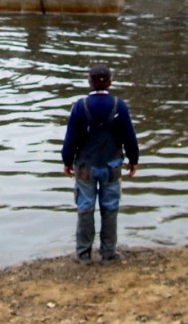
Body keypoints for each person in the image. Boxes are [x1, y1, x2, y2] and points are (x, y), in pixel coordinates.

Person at [61, 64, 139, 263]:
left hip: (85, 166)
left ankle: (83, 253)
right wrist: (133, 160)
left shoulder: (80, 106)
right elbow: (129, 136)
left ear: (90, 81)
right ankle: (108, 253)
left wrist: (67, 161)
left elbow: (70, 138)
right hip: (111, 165)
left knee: (85, 207)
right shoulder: (119, 105)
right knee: (110, 207)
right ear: (110, 82)